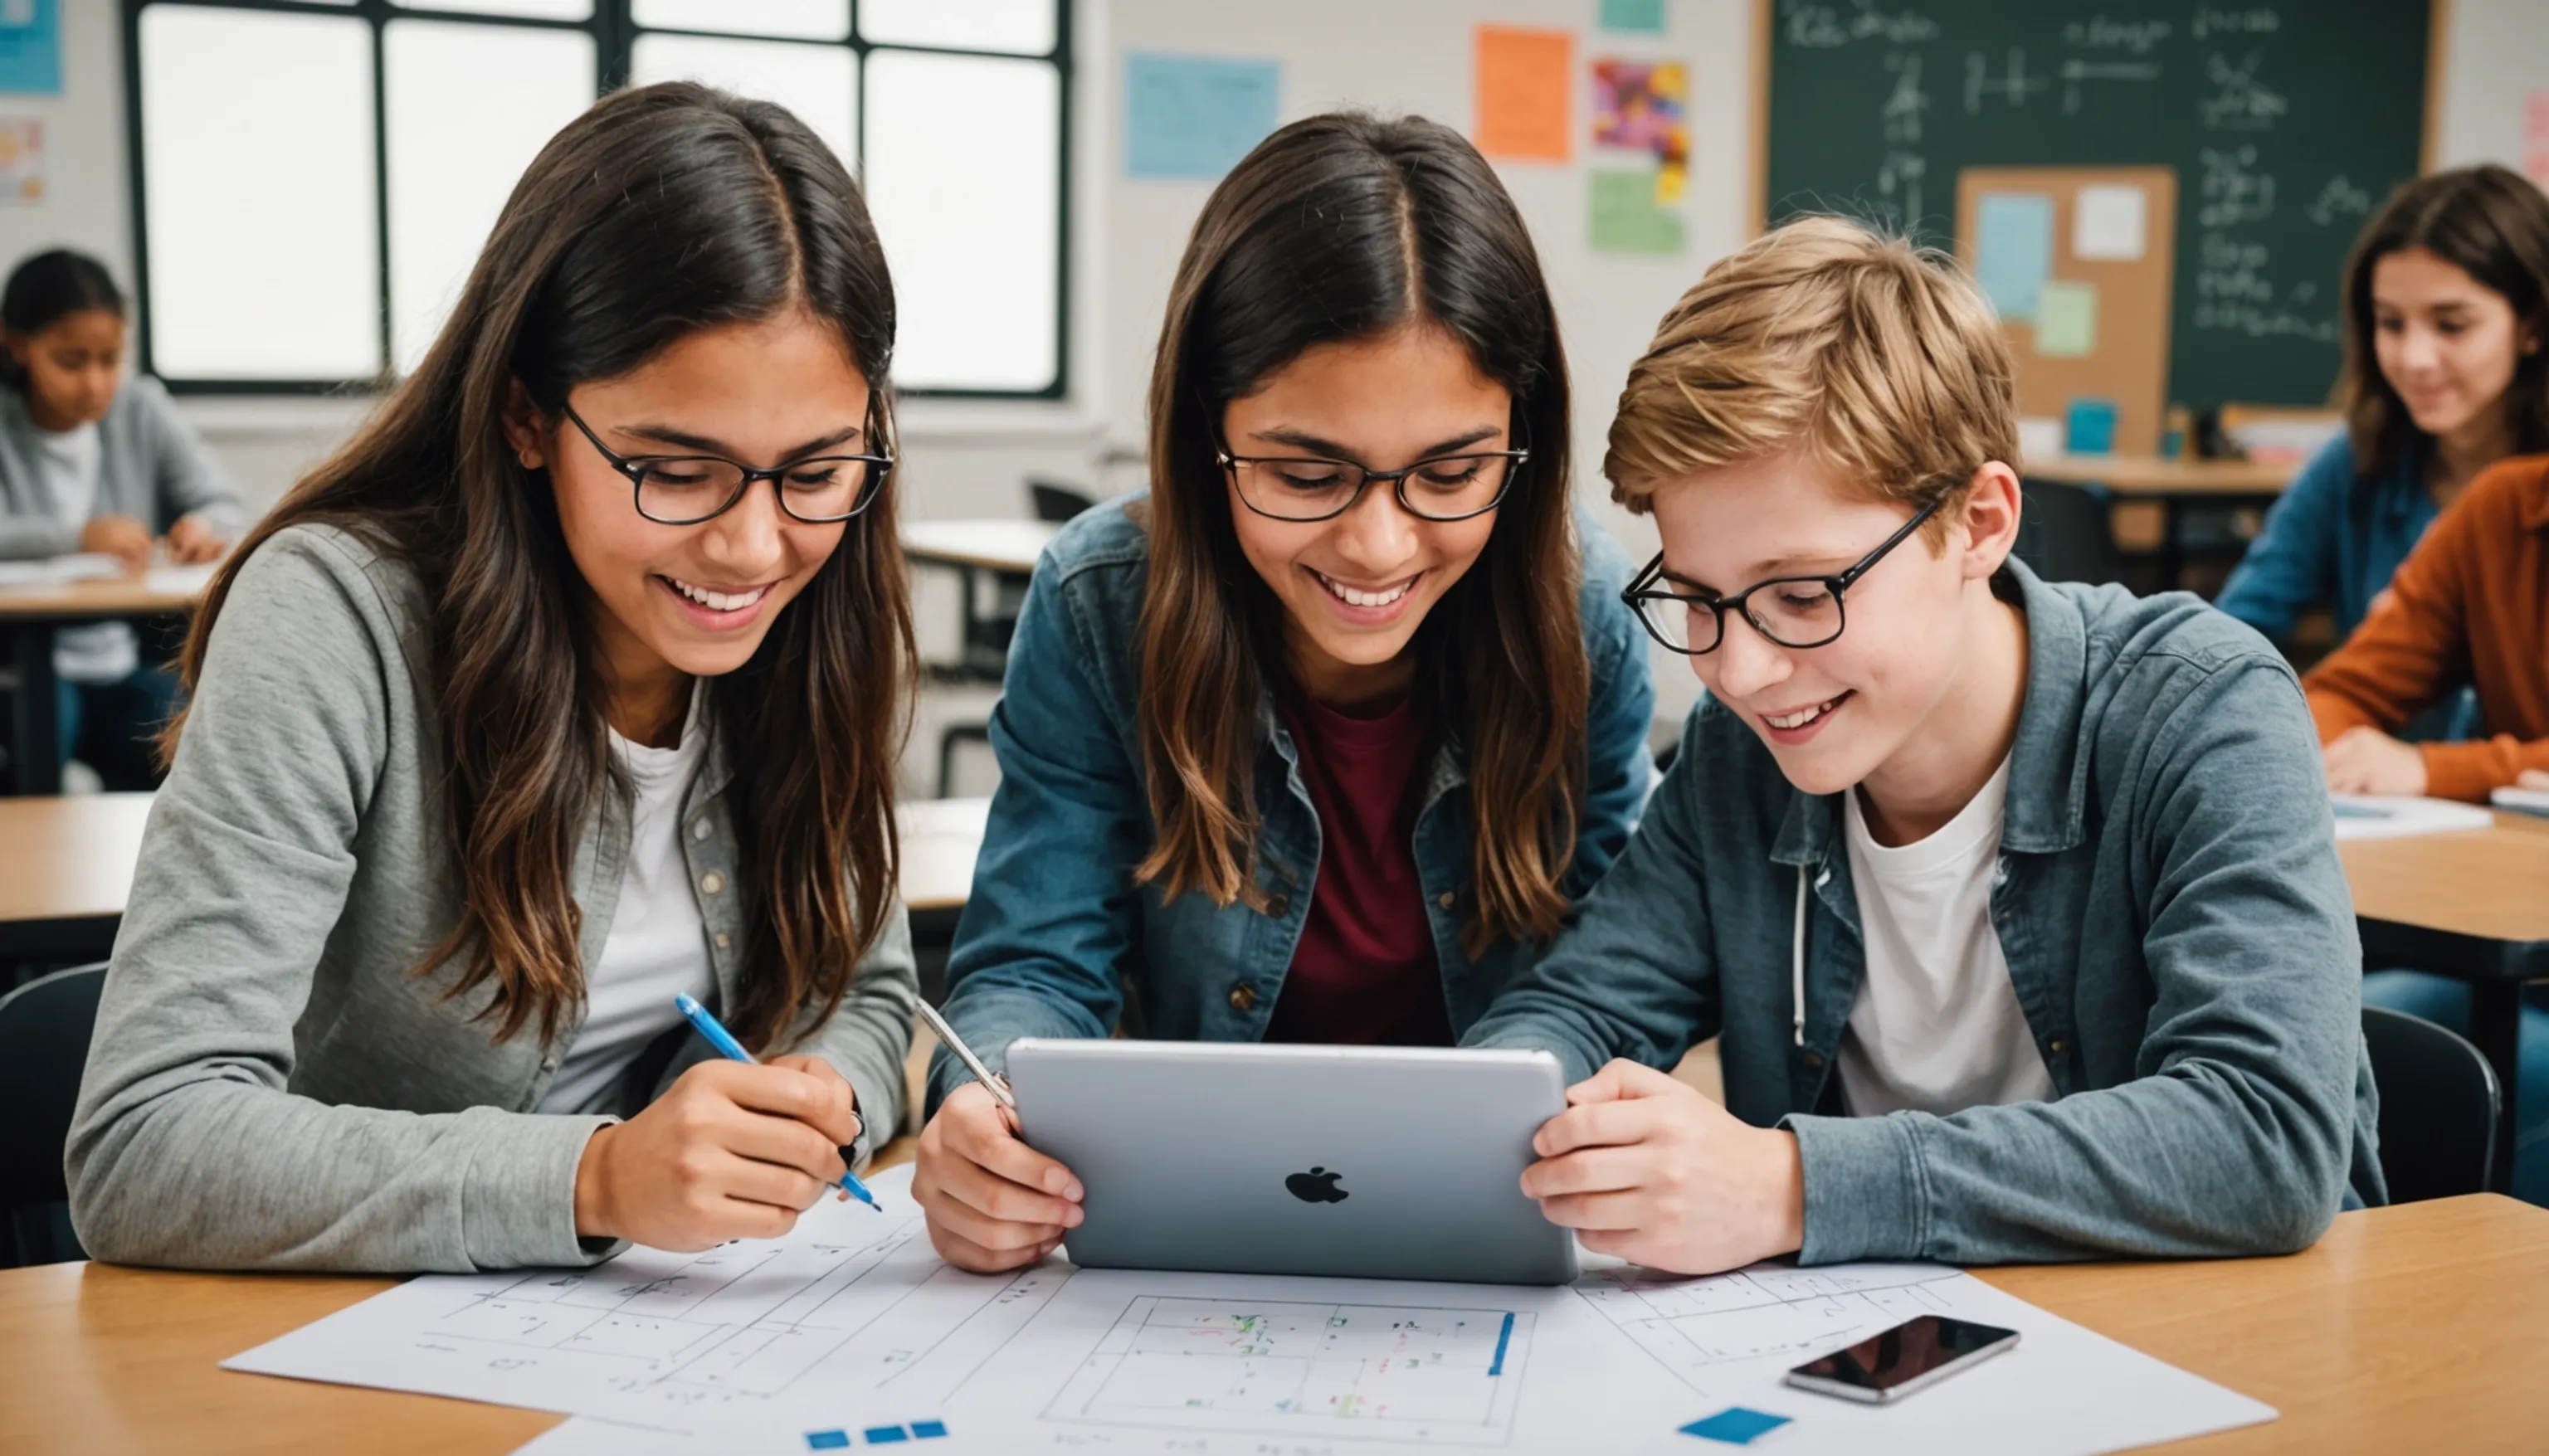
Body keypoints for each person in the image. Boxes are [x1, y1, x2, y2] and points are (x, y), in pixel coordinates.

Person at [68, 84, 918, 1272]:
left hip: (663, 1338)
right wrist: (598, 1176)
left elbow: (872, 997)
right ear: (526, 414)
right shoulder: (334, 615)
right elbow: (147, 1145)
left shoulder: (817, 616)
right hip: (332, 1351)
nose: (753, 548)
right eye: (675, 470)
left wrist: (814, 1103)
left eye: (816, 470)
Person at [1460, 216, 2380, 1274]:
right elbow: (1583, 1003)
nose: (1743, 671)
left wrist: (1794, 1189)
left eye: (1803, 595)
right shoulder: (1739, 755)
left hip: (2224, 1362)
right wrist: (1504, 1103)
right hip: (1885, 1358)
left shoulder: (2204, 711)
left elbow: (2265, 1136)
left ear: (1980, 524)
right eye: (1701, 601)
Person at [911, 113, 1655, 1273]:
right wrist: (985, 1110)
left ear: (1524, 438)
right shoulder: (1101, 603)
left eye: (1452, 473)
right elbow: (1034, 966)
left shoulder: (1584, 608)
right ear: (1205, 433)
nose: (1376, 543)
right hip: (1190, 1235)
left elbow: (1617, 970)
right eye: (1306, 473)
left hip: (1487, 1219)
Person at [2302, 452, 2549, 1202]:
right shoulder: (2506, 506)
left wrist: (2437, 769)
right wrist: (2331, 749)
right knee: (2327, 1052)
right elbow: (2341, 690)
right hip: (2510, 928)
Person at [2215, 165, 2549, 666]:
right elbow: (2232, 631)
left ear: (2533, 325)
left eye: (2452, 325)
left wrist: (2420, 752)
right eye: (2390, 322)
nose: (2414, 358)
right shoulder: (2358, 460)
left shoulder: (2529, 490)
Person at [0, 249, 246, 788]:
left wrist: (204, 527)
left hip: (122, 661)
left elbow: (227, 504)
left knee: (200, 735)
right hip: (22, 669)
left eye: (109, 359)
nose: (94, 383)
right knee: (33, 741)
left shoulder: (140, 407)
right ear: (18, 346)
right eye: (71, 361)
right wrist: (77, 537)